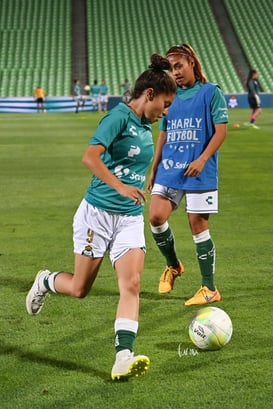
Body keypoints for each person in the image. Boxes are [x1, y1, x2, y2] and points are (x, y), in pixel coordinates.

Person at [25, 54, 176, 381]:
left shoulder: (145, 124)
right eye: (164, 104)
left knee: (132, 283)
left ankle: (123, 356)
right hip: (97, 215)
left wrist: (145, 180)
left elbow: (138, 160)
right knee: (80, 289)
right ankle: (46, 280)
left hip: (130, 218)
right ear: (149, 94)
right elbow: (90, 157)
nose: (166, 112)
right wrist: (121, 186)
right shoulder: (118, 117)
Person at [147, 43, 228, 306]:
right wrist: (154, 167)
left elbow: (220, 131)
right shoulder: (169, 97)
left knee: (198, 227)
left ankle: (209, 288)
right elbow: (164, 134)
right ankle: (173, 265)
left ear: (192, 62)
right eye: (172, 68)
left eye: (179, 66)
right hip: (170, 169)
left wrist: (203, 159)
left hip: (198, 172)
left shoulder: (210, 92)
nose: (176, 72)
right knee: (156, 217)